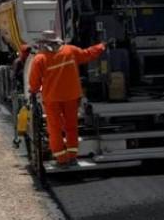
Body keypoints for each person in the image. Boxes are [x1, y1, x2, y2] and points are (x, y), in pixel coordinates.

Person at [28, 31, 106, 167]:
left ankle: (61, 159)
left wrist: (33, 91)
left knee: (55, 128)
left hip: (52, 99)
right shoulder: (70, 51)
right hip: (71, 96)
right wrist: (101, 46)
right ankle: (72, 157)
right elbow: (87, 54)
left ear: (43, 43)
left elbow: (34, 82)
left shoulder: (40, 59)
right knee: (71, 127)